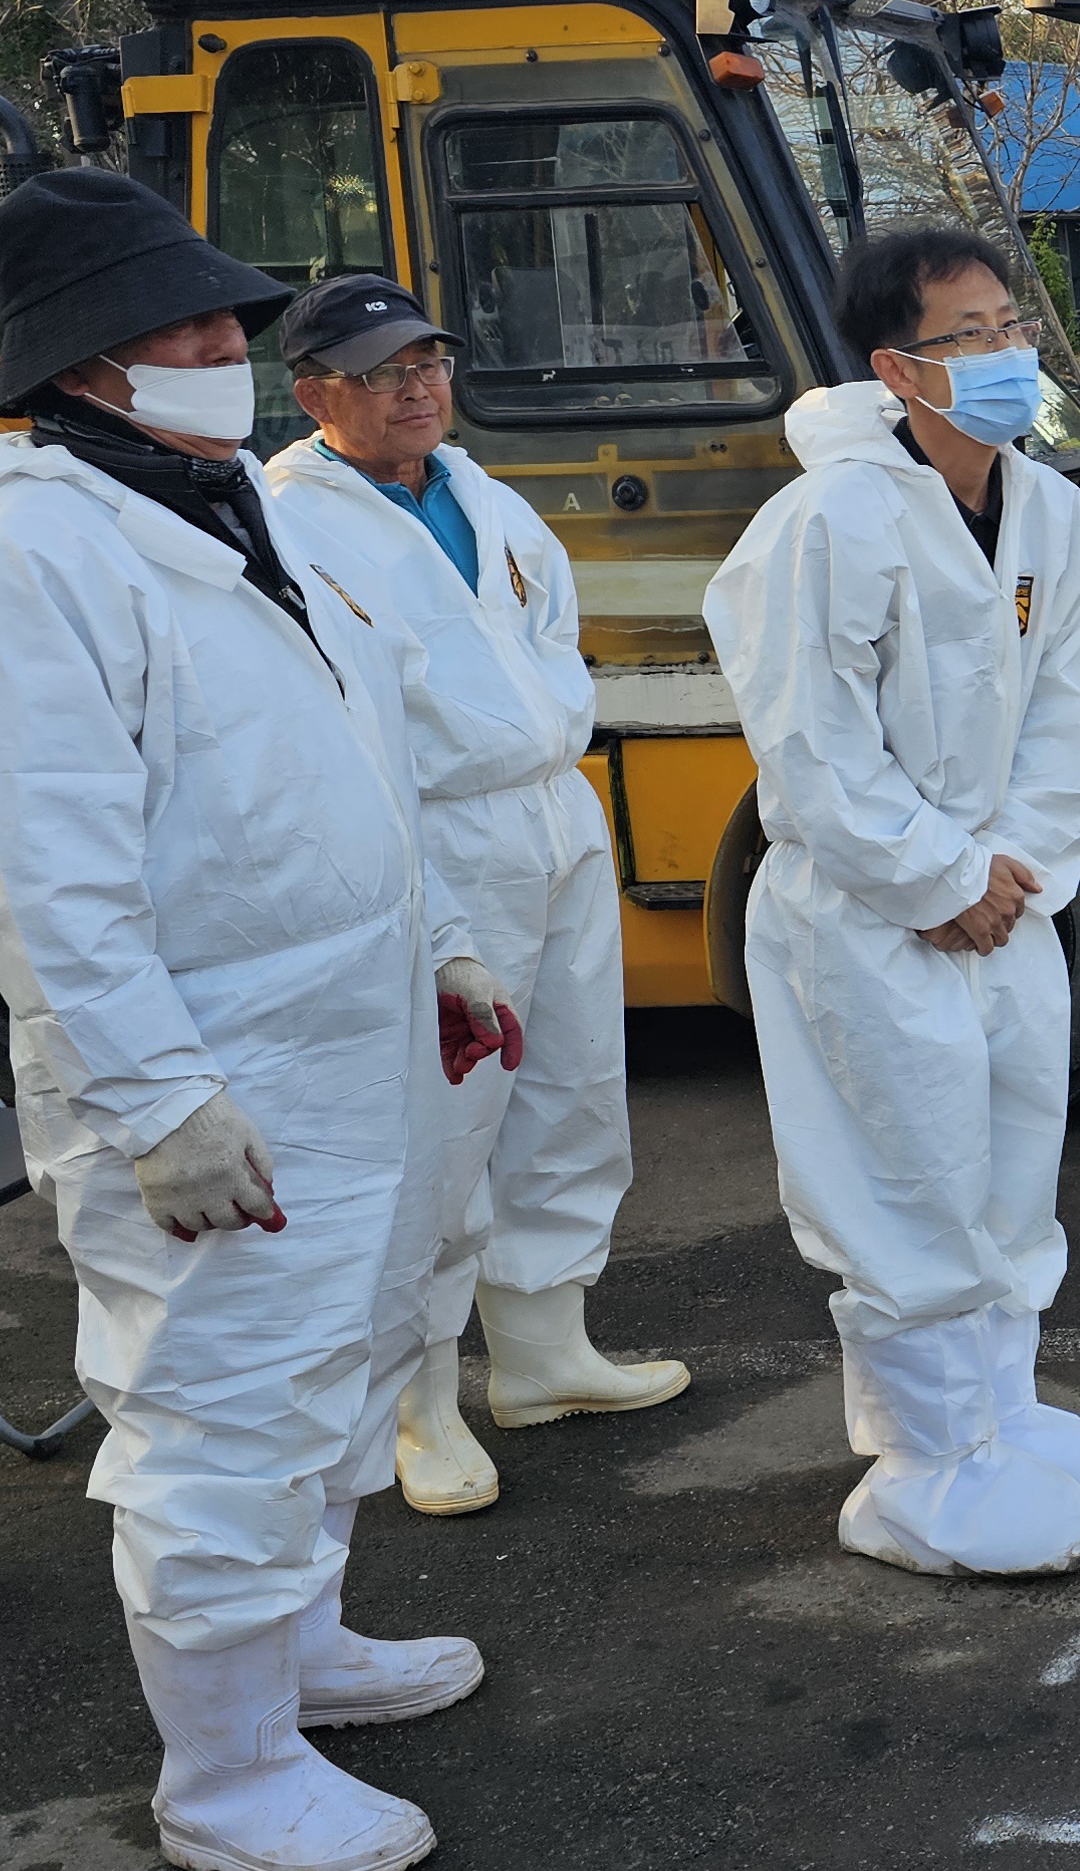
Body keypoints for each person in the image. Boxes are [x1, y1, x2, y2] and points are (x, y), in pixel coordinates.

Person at [0, 169, 525, 1871]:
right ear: (79, 357)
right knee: (225, 1407)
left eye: (224, 316)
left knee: (336, 1364)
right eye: (178, 324)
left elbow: (358, 762)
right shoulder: (20, 556)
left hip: (347, 1035)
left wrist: (444, 940)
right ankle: (227, 1777)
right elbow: (40, 872)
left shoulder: (243, 503)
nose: (220, 344)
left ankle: (295, 1656)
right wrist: (158, 1099)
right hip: (206, 1073)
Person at [703, 225, 1080, 1577]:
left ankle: (997, 1417)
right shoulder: (826, 523)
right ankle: (920, 1469)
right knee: (903, 1185)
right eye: (971, 335)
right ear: (896, 367)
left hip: (1000, 903)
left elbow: (1071, 707)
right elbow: (812, 747)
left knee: (1008, 1171)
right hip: (870, 918)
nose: (1009, 354)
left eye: (1013, 325)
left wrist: (1011, 864)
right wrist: (941, 877)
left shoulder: (1046, 509)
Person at [265, 275, 686, 1520]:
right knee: (441, 1124)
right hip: (435, 830)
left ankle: (546, 1348)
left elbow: (551, 630)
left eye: (428, 360)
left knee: (568, 1086)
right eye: (382, 369)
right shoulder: (298, 520)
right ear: (314, 394)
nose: (415, 384)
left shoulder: (478, 492)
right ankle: (421, 1397)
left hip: (552, 808)